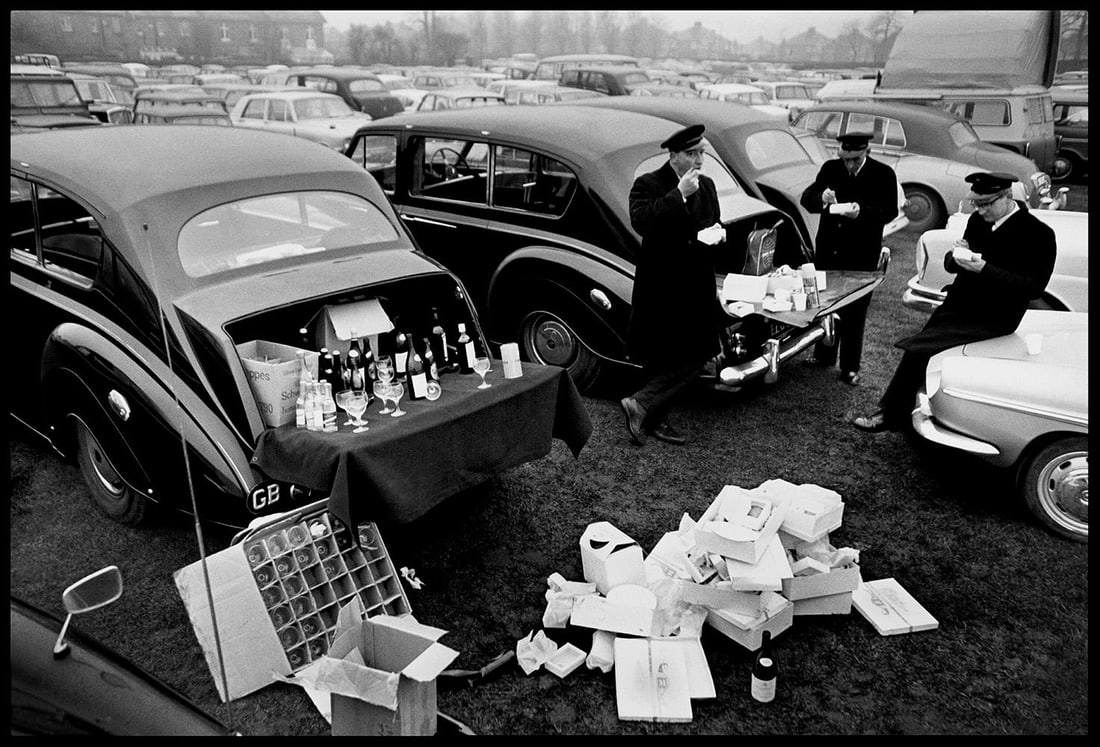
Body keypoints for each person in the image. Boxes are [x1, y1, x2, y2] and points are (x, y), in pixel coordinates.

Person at [852, 172, 1056, 432]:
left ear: (1006, 197)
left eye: (987, 204)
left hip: (995, 315)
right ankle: (897, 412)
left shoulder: (1038, 234)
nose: (981, 211)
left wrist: (984, 268)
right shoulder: (978, 221)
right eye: (977, 204)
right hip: (959, 305)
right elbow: (954, 265)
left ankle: (891, 414)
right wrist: (955, 255)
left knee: (919, 349)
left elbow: (1033, 287)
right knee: (920, 350)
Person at [620, 123, 724, 446]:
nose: (699, 160)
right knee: (662, 356)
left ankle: (641, 403)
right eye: (691, 154)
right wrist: (678, 195)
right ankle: (652, 419)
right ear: (673, 156)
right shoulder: (649, 183)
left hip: (695, 287)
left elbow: (712, 222)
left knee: (702, 350)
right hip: (662, 289)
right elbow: (642, 221)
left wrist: (718, 236)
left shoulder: (707, 186)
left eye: (702, 153)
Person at [799, 132, 899, 386]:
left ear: (866, 152)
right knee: (828, 305)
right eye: (846, 159)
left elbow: (889, 211)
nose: (850, 165)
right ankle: (823, 355)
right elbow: (806, 198)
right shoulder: (830, 169)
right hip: (830, 252)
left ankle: (850, 367)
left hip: (861, 253)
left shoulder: (883, 174)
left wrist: (861, 213)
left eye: (855, 159)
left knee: (855, 311)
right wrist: (820, 198)